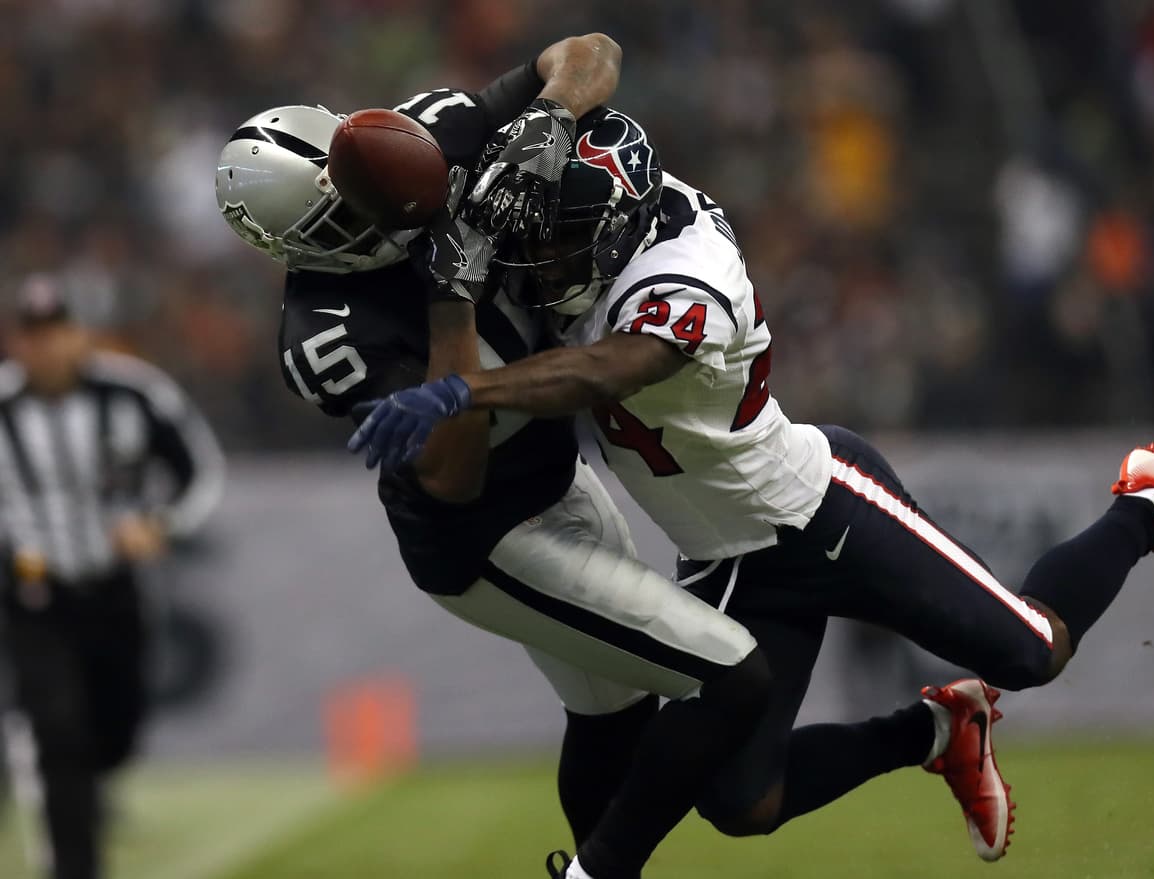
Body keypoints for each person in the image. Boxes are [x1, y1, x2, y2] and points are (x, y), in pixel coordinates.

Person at [351, 105, 1154, 875]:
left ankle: (1149, 502)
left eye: (560, 244)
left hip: (820, 507)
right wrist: (535, 122)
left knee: (1033, 650)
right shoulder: (598, 208)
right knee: (743, 802)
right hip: (727, 551)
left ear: (617, 228)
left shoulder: (686, 273)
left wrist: (463, 387)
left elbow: (603, 370)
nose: (542, 263)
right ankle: (935, 733)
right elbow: (588, 56)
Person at [216, 34, 775, 879]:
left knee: (613, 714)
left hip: (555, 469)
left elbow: (589, 48)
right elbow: (451, 471)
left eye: (359, 190)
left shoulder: (421, 135)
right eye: (342, 217)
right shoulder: (327, 333)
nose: (375, 215)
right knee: (733, 676)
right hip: (485, 536)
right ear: (287, 245)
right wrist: (452, 303)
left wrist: (549, 117)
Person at [0, 275, 225, 879]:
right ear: (18, 343)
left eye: (59, 332)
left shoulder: (132, 394)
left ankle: (90, 782)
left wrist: (162, 524)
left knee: (116, 727)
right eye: (35, 336)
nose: (48, 348)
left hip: (115, 590)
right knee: (55, 726)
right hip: (32, 596)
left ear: (80, 335)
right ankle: (76, 863)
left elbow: (198, 468)